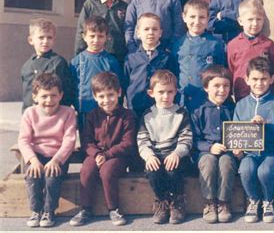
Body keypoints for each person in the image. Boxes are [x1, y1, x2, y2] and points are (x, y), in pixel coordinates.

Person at [69, 72, 135, 227]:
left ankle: (113, 208)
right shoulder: (92, 116)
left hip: (118, 156)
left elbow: (128, 143)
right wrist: (97, 154)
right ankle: (86, 208)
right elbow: (86, 140)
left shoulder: (127, 116)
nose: (107, 100)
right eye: (102, 96)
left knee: (107, 171)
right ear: (95, 96)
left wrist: (107, 155)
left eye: (111, 95)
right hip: (96, 154)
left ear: (119, 92)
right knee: (86, 170)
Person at [233, 56, 274, 223]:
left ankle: (268, 201)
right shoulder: (241, 105)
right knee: (246, 170)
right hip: (250, 154)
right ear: (247, 80)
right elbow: (236, 134)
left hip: (270, 153)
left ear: (271, 79)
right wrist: (238, 150)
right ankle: (254, 200)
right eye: (255, 79)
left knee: (264, 172)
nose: (259, 83)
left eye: (264, 79)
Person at [18, 73, 76, 228]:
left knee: (51, 176)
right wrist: (33, 160)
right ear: (35, 96)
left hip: (57, 156)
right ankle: (35, 210)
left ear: (61, 95)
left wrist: (56, 160)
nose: (49, 100)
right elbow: (23, 140)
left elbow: (69, 140)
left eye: (53, 95)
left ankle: (49, 211)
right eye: (44, 96)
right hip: (36, 155)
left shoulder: (68, 113)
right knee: (33, 175)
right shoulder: (29, 113)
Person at [137, 70, 193, 225]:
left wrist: (177, 153)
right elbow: (142, 140)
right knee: (153, 170)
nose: (165, 96)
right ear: (151, 93)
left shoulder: (182, 113)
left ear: (176, 92)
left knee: (172, 169)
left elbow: (186, 138)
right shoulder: (147, 115)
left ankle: (177, 200)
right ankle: (161, 201)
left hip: (176, 154)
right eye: (160, 92)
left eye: (170, 92)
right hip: (155, 154)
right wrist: (149, 156)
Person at [191, 65, 237, 223]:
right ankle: (210, 202)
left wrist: (238, 147)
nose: (222, 90)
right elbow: (193, 139)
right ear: (206, 87)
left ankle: (224, 202)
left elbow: (240, 131)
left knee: (226, 162)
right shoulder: (198, 110)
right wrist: (209, 147)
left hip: (228, 150)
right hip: (205, 152)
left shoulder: (232, 108)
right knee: (208, 162)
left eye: (226, 86)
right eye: (216, 86)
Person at [172, 0, 225, 112]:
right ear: (184, 17)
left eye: (202, 17)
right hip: (184, 97)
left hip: (207, 98)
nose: (197, 22)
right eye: (192, 17)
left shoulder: (215, 44)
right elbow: (175, 71)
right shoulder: (178, 44)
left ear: (208, 19)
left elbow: (221, 70)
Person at [70, 16, 123, 130]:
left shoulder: (111, 61)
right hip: (85, 109)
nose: (96, 40)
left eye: (100, 36)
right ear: (84, 37)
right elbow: (72, 86)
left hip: (107, 109)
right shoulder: (77, 61)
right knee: (87, 142)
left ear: (107, 38)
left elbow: (119, 86)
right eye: (92, 36)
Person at [124, 13, 177, 118]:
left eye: (154, 29)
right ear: (138, 33)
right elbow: (125, 82)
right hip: (136, 107)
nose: (150, 33)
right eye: (146, 29)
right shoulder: (131, 57)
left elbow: (173, 80)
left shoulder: (167, 56)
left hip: (159, 108)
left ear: (160, 33)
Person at [74, 0, 128, 65]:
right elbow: (81, 31)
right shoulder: (90, 4)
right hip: (95, 57)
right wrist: (79, 57)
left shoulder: (125, 7)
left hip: (117, 57)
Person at [227, 0, 274, 101]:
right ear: (240, 21)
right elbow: (231, 70)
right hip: (242, 95)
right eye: (250, 19)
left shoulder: (269, 44)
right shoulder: (233, 45)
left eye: (258, 19)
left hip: (265, 96)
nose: (255, 24)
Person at [21, 18, 74, 112]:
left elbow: (66, 91)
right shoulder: (27, 66)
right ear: (31, 40)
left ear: (54, 40)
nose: (45, 41)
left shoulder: (58, 63)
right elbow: (27, 95)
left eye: (49, 37)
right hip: (33, 114)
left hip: (54, 113)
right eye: (41, 37)